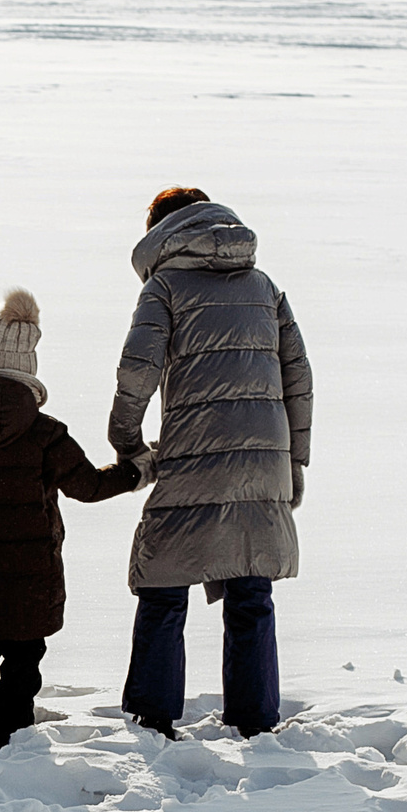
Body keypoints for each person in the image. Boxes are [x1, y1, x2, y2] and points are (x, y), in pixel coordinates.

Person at [107, 187, 313, 739]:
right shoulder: (263, 286)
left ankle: (152, 718)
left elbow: (137, 372)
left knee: (162, 582)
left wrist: (126, 443)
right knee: (251, 588)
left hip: (191, 454)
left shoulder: (165, 285)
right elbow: (299, 377)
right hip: (263, 462)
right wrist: (295, 462)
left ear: (161, 234)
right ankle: (255, 720)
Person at [0, 290, 140, 759]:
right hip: (30, 577)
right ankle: (13, 734)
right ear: (27, 369)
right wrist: (137, 471)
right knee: (22, 659)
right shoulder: (44, 433)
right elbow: (87, 487)